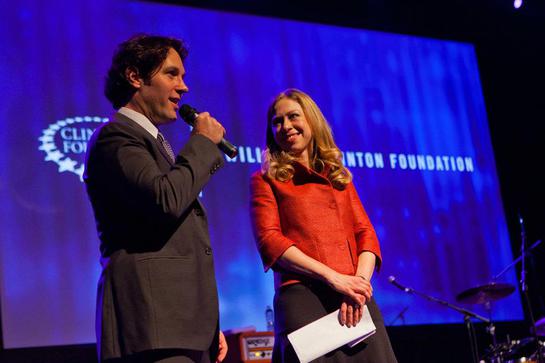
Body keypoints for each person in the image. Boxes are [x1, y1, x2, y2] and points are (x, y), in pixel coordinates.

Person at [84, 34, 228, 363]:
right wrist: (203, 143)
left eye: (184, 76)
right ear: (135, 77)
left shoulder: (153, 143)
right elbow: (166, 199)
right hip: (152, 327)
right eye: (171, 74)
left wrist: (206, 324)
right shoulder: (116, 136)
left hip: (180, 326)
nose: (183, 87)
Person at [249, 89, 397, 362]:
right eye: (277, 121)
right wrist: (334, 278)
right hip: (304, 298)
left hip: (354, 298)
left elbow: (366, 234)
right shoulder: (266, 179)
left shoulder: (338, 176)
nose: (286, 126)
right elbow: (270, 241)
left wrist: (359, 285)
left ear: (312, 121)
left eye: (293, 116)